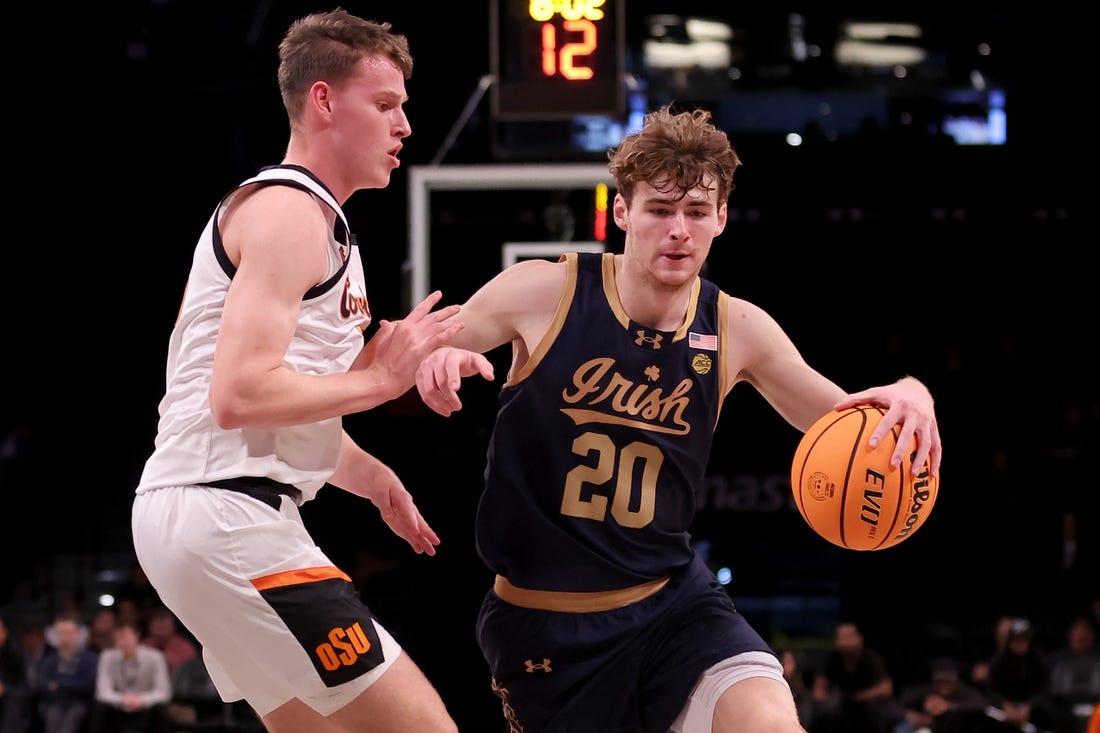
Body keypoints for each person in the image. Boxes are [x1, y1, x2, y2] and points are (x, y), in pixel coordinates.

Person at [414, 104, 942, 733]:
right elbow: (420, 343)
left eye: (696, 212)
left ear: (720, 218)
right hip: (545, 622)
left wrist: (914, 392)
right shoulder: (543, 291)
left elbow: (842, 420)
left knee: (772, 724)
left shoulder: (735, 327)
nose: (678, 231)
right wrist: (439, 350)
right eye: (660, 210)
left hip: (675, 607)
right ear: (622, 213)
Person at [130, 9, 465, 733]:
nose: (404, 124)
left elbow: (282, 404)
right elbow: (240, 395)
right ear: (322, 102)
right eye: (385, 105)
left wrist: (375, 479)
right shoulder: (289, 212)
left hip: (208, 508)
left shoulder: (316, 223)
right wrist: (381, 380)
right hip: (225, 514)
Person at [810, 622, 897, 733]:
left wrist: (859, 697)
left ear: (859, 638)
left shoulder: (870, 658)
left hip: (868, 707)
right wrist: (824, 700)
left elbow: (886, 688)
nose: (844, 642)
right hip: (841, 707)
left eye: (848, 637)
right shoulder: (833, 659)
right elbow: (819, 688)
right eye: (841, 638)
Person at [91, 621, 171, 733]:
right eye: (117, 638)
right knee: (100, 708)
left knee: (161, 709)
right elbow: (102, 692)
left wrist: (141, 699)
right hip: (118, 708)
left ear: (136, 635)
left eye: (125, 637)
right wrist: (122, 699)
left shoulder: (155, 657)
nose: (121, 642)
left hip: (145, 708)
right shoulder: (107, 656)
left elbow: (163, 692)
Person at [33, 613, 97, 733]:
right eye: (61, 633)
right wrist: (69, 685)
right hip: (54, 703)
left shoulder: (89, 658)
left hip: (79, 704)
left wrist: (58, 685)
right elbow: (41, 683)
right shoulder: (49, 659)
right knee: (52, 716)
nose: (65, 638)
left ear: (78, 633)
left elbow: (88, 685)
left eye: (69, 633)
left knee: (72, 718)